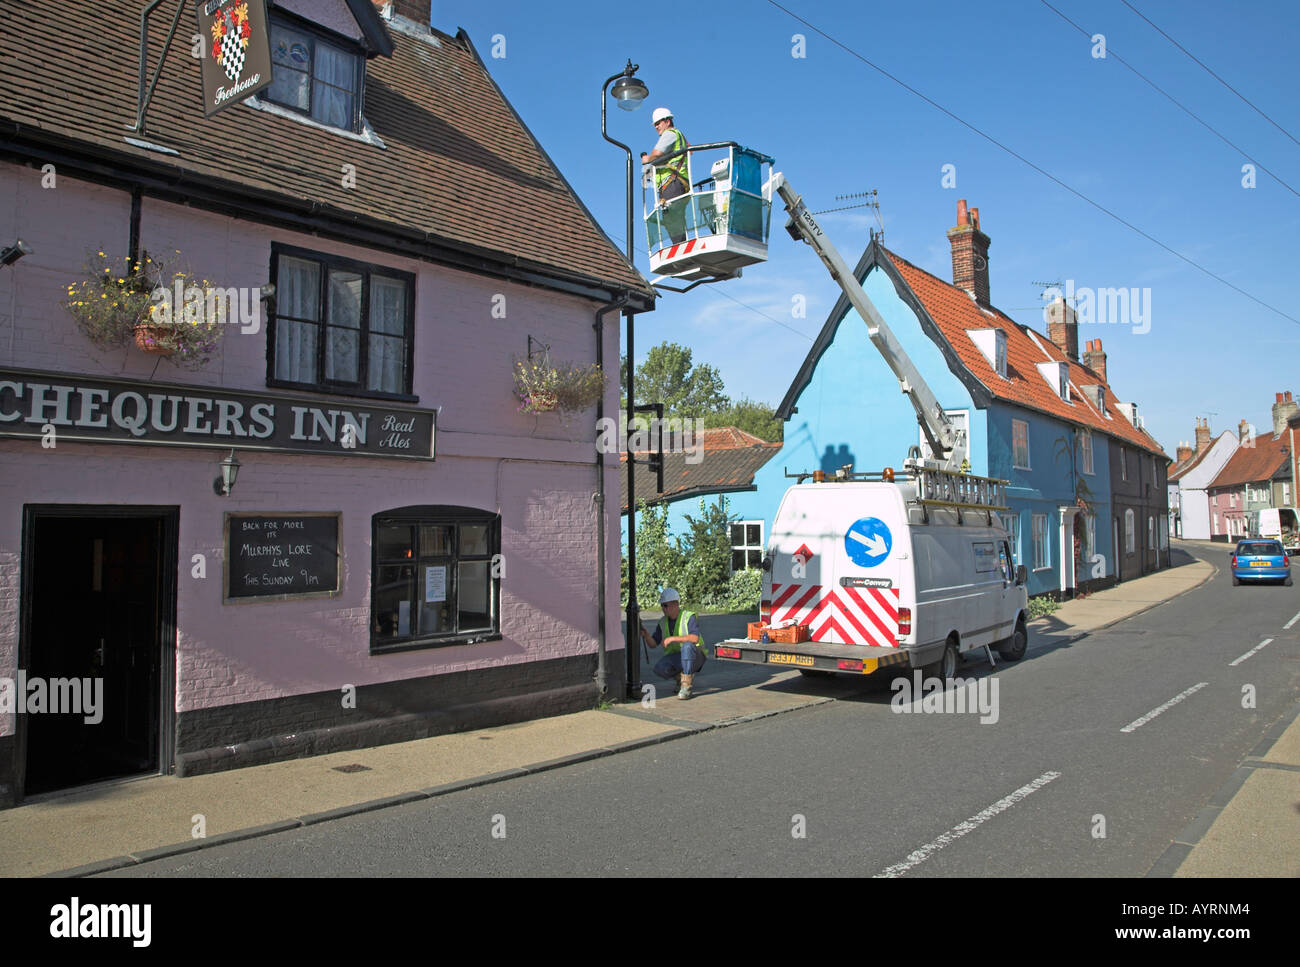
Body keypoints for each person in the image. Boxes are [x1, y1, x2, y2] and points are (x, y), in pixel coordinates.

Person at [639, 587, 707, 699]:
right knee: (660, 668)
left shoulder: (688, 617)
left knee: (687, 646)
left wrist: (672, 639)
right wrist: (646, 635)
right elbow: (653, 644)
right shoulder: (662, 622)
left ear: (675, 604)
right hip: (678, 658)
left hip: (696, 656)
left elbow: (694, 638)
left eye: (665, 605)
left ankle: (686, 687)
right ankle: (680, 680)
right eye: (662, 605)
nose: (663, 608)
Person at [640, 107, 690, 245]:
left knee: (672, 217)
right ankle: (681, 247)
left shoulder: (669, 135)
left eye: (658, 123)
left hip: (672, 182)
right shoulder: (678, 135)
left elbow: (656, 154)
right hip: (677, 183)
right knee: (675, 218)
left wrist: (646, 159)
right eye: (655, 124)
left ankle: (680, 250)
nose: (656, 126)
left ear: (667, 121)